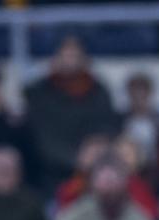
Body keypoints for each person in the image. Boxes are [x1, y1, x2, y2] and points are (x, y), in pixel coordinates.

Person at [24, 35, 118, 191]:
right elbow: (41, 136)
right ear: (55, 58)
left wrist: (95, 150)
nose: (70, 61)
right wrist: (75, 159)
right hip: (50, 174)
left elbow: (106, 127)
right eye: (66, 55)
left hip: (93, 171)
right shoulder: (39, 94)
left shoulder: (98, 90)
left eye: (75, 55)